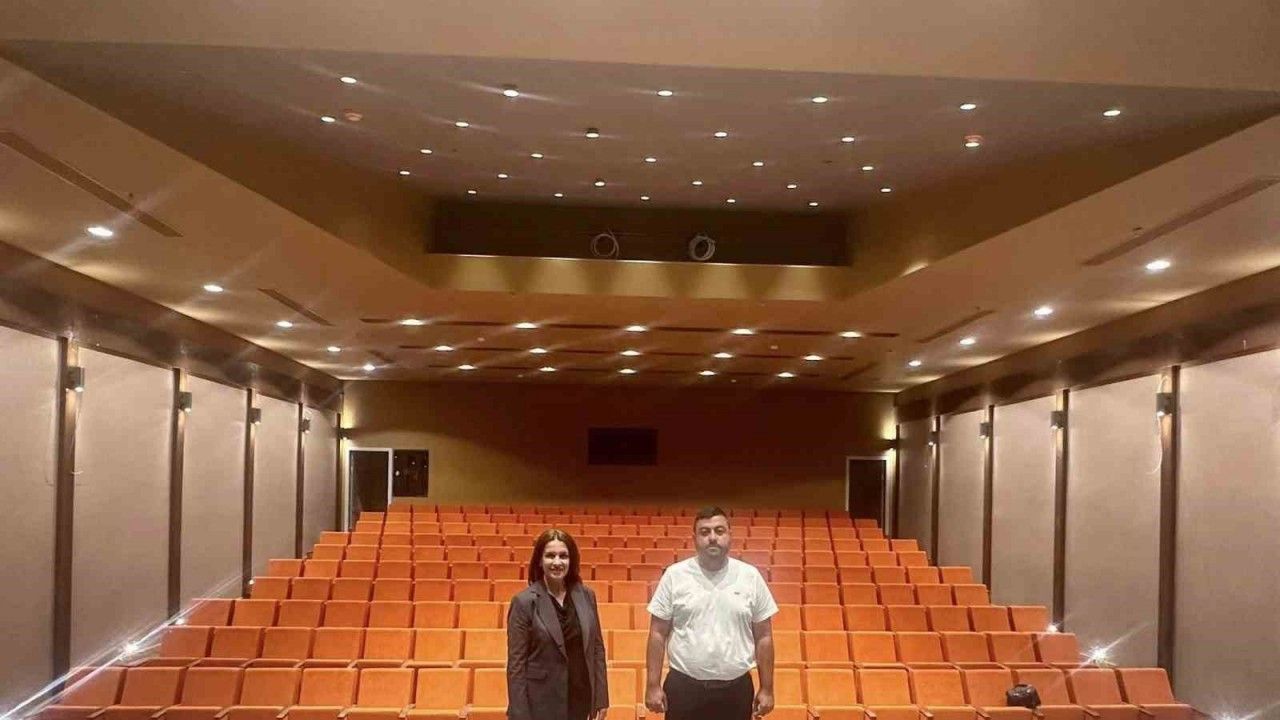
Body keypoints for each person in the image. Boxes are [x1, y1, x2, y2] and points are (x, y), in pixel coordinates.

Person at [645, 507, 778, 720]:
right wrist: (652, 685)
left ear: (730, 535)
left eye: (719, 531)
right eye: (705, 532)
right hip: (684, 689)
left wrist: (767, 688)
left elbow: (764, 636)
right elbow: (657, 634)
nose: (713, 537)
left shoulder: (750, 577)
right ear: (694, 538)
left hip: (736, 691)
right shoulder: (674, 576)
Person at [507, 528, 610, 720]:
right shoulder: (524, 602)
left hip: (580, 700)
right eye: (550, 556)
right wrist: (520, 714)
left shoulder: (586, 596)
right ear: (539, 560)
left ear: (571, 560)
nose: (557, 562)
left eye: (563, 556)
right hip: (540, 705)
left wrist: (601, 698)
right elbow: (516, 666)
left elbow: (597, 649)